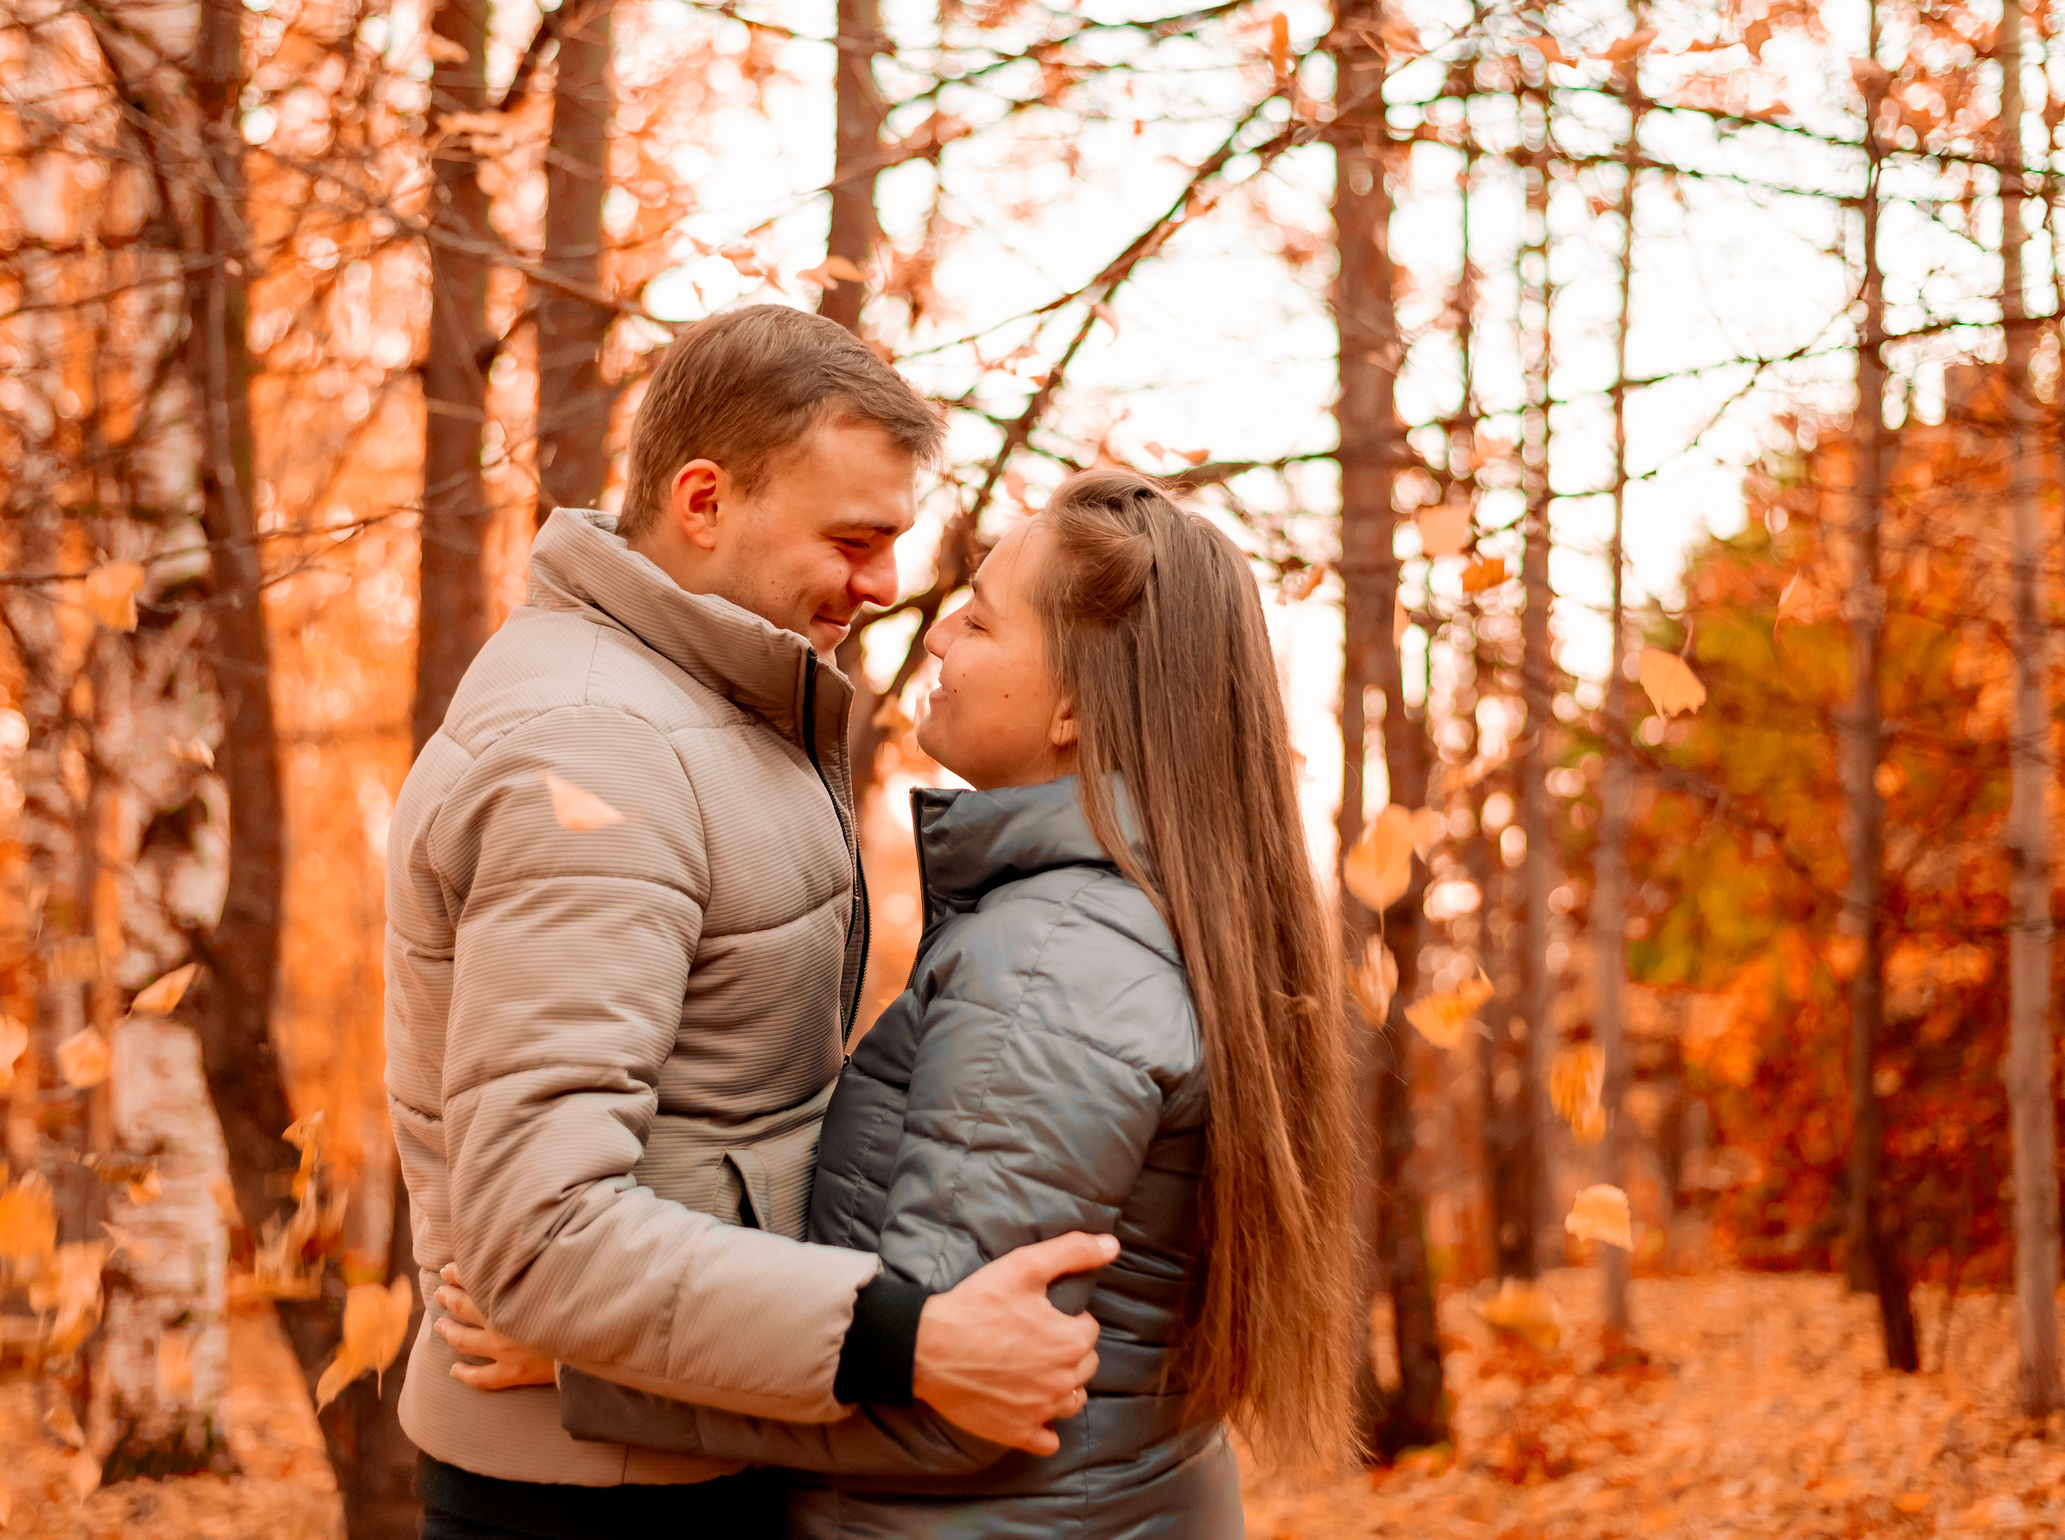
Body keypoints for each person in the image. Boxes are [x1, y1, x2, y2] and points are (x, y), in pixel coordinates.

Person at [437, 469, 1364, 1536]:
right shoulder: (1122, 921)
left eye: (977, 619)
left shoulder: (1048, 967)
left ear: (1074, 706)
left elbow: (961, 1394)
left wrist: (583, 1366)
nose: (934, 638)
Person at [386, 305, 1115, 1540]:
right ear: (705, 499)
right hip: (593, 1494)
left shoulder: (709, 696)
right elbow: (541, 1232)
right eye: (853, 538)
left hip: (675, 1426)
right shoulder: (597, 755)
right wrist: (909, 1336)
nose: (884, 585)